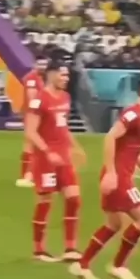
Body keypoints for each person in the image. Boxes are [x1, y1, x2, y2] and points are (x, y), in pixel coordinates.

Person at [70, 76, 140, 279]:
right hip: (119, 178)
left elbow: (135, 151)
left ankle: (82, 264)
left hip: (119, 175)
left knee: (113, 224)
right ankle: (118, 266)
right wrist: (112, 173)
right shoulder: (133, 114)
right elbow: (110, 137)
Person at [25, 58, 86, 262]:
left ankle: (70, 248)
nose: (66, 78)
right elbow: (31, 131)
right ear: (51, 74)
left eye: (67, 75)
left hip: (64, 158)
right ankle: (39, 250)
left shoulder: (66, 97)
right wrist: (47, 151)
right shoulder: (39, 100)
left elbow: (63, 127)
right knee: (45, 201)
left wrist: (76, 146)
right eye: (62, 74)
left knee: (74, 199)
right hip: (46, 160)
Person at [16, 56, 47, 188]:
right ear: (35, 65)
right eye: (40, 64)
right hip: (33, 115)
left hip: (39, 115)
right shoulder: (31, 78)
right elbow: (32, 98)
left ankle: (31, 175)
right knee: (30, 145)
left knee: (35, 145)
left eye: (45, 64)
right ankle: (26, 176)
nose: (43, 67)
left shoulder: (42, 78)